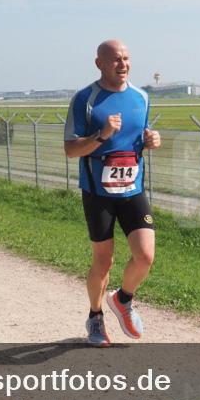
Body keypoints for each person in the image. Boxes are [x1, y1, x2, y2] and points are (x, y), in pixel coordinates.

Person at [64, 40, 161, 347]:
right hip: (98, 192)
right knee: (103, 262)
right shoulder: (85, 99)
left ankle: (123, 299)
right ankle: (95, 317)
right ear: (99, 64)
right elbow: (70, 149)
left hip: (132, 189)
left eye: (127, 58)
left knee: (145, 256)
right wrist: (101, 135)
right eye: (116, 59)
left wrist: (151, 140)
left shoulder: (141, 98)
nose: (123, 64)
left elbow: (138, 139)